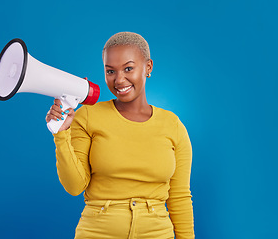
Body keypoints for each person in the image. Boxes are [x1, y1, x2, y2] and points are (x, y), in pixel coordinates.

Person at [46, 32, 194, 239]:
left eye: (128, 68)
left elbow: (179, 196)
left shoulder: (173, 126)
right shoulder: (87, 116)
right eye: (110, 71)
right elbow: (74, 186)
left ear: (148, 67)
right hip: (98, 232)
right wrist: (61, 135)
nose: (119, 80)